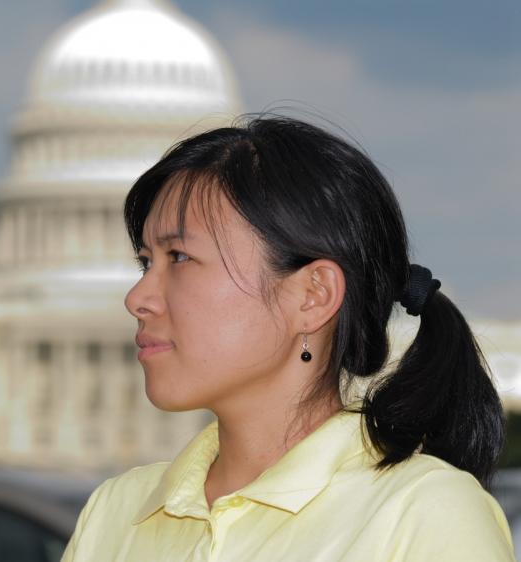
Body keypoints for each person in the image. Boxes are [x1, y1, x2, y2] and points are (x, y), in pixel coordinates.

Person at [60, 116, 515, 561]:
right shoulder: (115, 513)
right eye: (145, 262)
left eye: (178, 256)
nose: (137, 298)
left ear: (313, 295)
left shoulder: (421, 516)